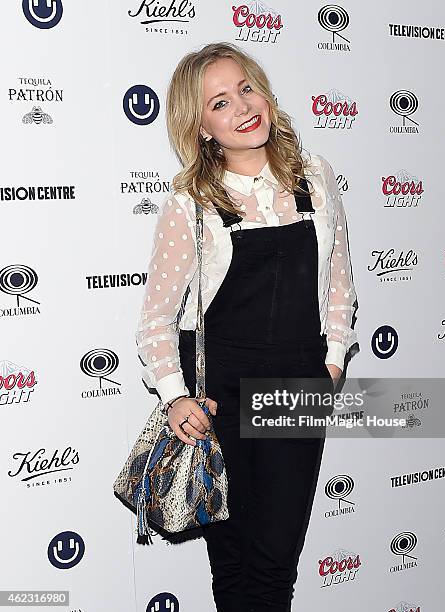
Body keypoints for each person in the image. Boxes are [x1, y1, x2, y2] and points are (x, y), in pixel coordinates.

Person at [136, 42, 358, 612]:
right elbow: (156, 320)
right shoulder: (192, 201)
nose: (241, 107)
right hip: (218, 397)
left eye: (246, 89)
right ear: (202, 126)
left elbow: (339, 279)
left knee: (274, 563)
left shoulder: (315, 176)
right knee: (232, 563)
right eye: (219, 102)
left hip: (295, 387)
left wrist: (330, 362)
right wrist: (175, 396)